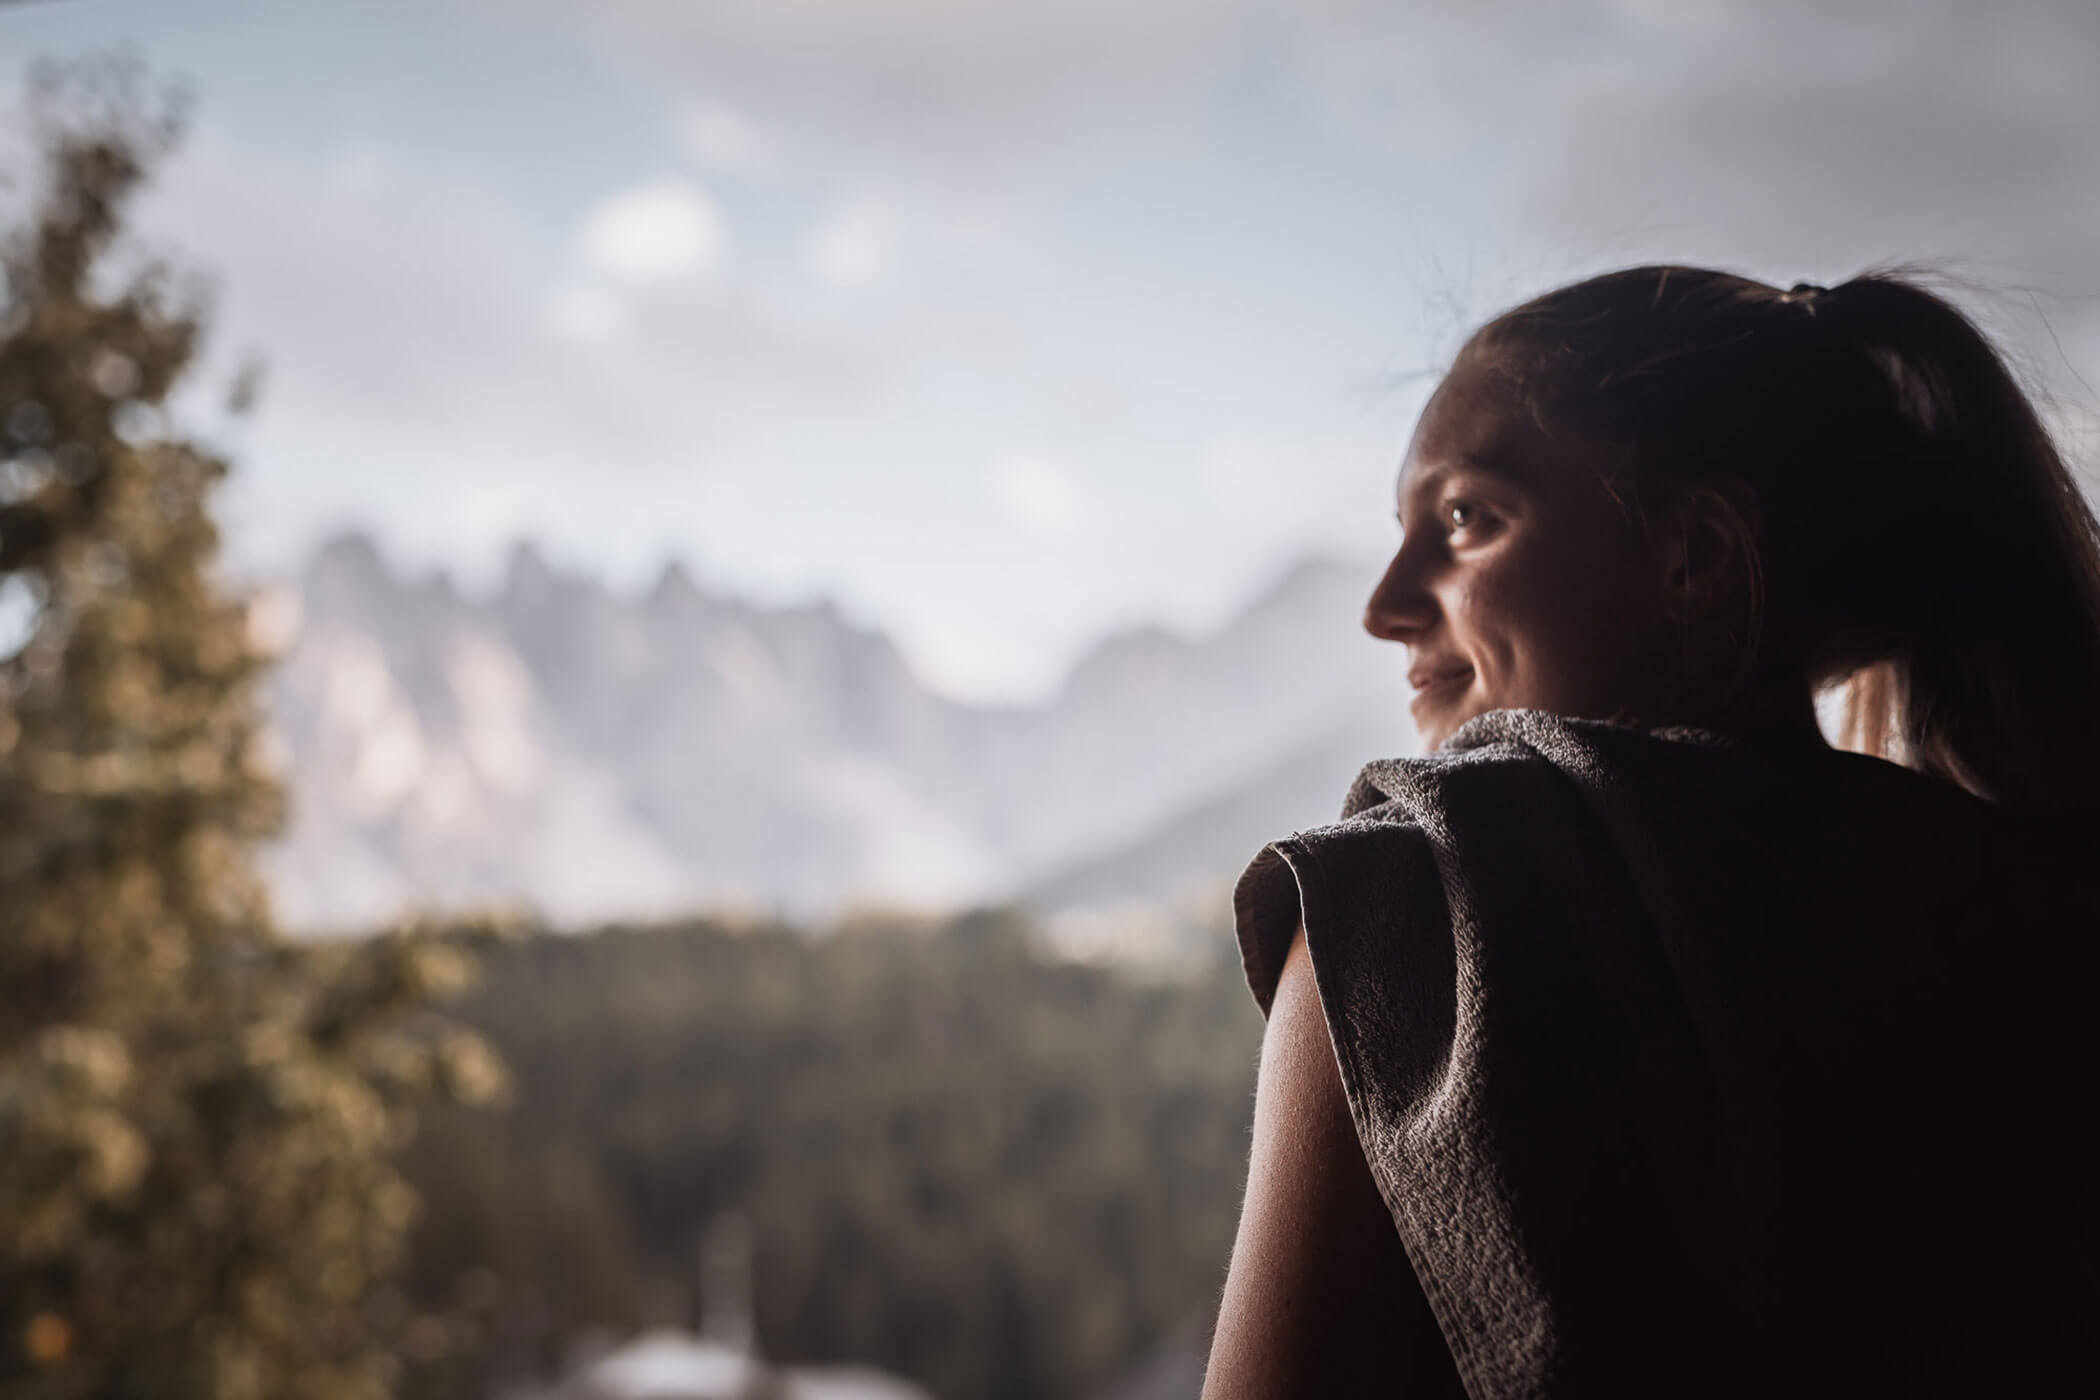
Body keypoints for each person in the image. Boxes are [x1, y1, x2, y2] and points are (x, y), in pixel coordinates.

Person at [1200, 266, 2100, 1398]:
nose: (1386, 602)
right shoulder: (2041, 902)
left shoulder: (1408, 902)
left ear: (1696, 555)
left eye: (1468, 517)